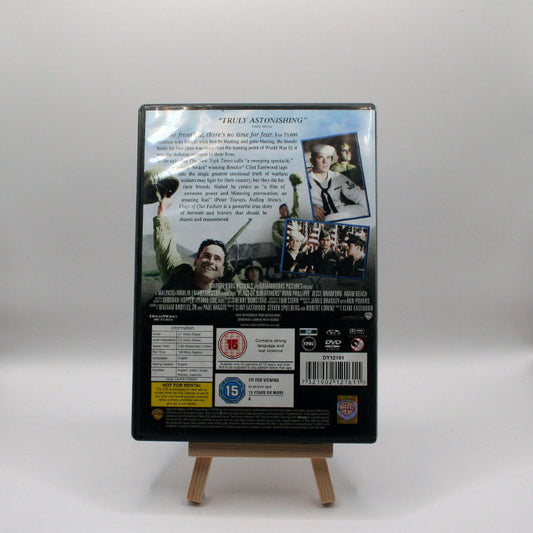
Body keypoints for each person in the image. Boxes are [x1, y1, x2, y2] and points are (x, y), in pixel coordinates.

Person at [153, 195, 228, 290]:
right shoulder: (178, 275)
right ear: (196, 261)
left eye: (217, 259)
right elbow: (165, 247)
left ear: (222, 270)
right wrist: (162, 210)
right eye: (206, 256)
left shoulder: (224, 296)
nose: (210, 261)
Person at [307, 144, 368, 222]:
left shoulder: (337, 176)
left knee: (365, 209)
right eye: (320, 157)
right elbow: (295, 202)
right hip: (320, 217)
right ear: (312, 161)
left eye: (328, 157)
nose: (325, 162)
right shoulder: (304, 180)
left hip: (339, 211)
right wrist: (310, 207)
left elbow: (358, 194)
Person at [272, 173, 302, 248]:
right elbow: (275, 235)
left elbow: (296, 203)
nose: (284, 211)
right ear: (280, 212)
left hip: (298, 244)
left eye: (286, 209)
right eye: (282, 209)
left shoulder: (294, 216)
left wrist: (295, 189)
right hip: (286, 246)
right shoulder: (277, 223)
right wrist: (285, 241)